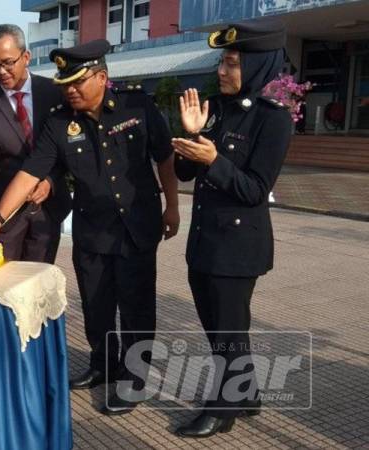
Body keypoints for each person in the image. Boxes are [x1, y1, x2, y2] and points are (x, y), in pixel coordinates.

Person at [0, 39, 180, 415]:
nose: (70, 90)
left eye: (78, 82)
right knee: (97, 305)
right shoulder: (60, 122)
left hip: (137, 227)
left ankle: (133, 378)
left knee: (136, 306)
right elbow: (30, 171)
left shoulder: (138, 105)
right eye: (65, 83)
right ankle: (102, 364)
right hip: (92, 229)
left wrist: (173, 207)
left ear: (102, 76)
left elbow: (164, 158)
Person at [170, 20, 292, 438]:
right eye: (222, 61)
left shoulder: (273, 121)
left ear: (257, 66)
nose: (222, 71)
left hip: (238, 248)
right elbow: (186, 172)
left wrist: (213, 161)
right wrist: (192, 135)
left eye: (233, 63)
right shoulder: (214, 108)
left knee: (227, 332)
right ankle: (248, 393)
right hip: (204, 242)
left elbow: (255, 190)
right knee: (221, 329)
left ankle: (222, 410)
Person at [0, 24, 72, 263]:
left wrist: (50, 180)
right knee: (5, 284)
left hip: (47, 207)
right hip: (7, 214)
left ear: (26, 57)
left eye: (8, 62)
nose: (1, 71)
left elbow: (67, 148)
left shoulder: (55, 92)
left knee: (39, 281)